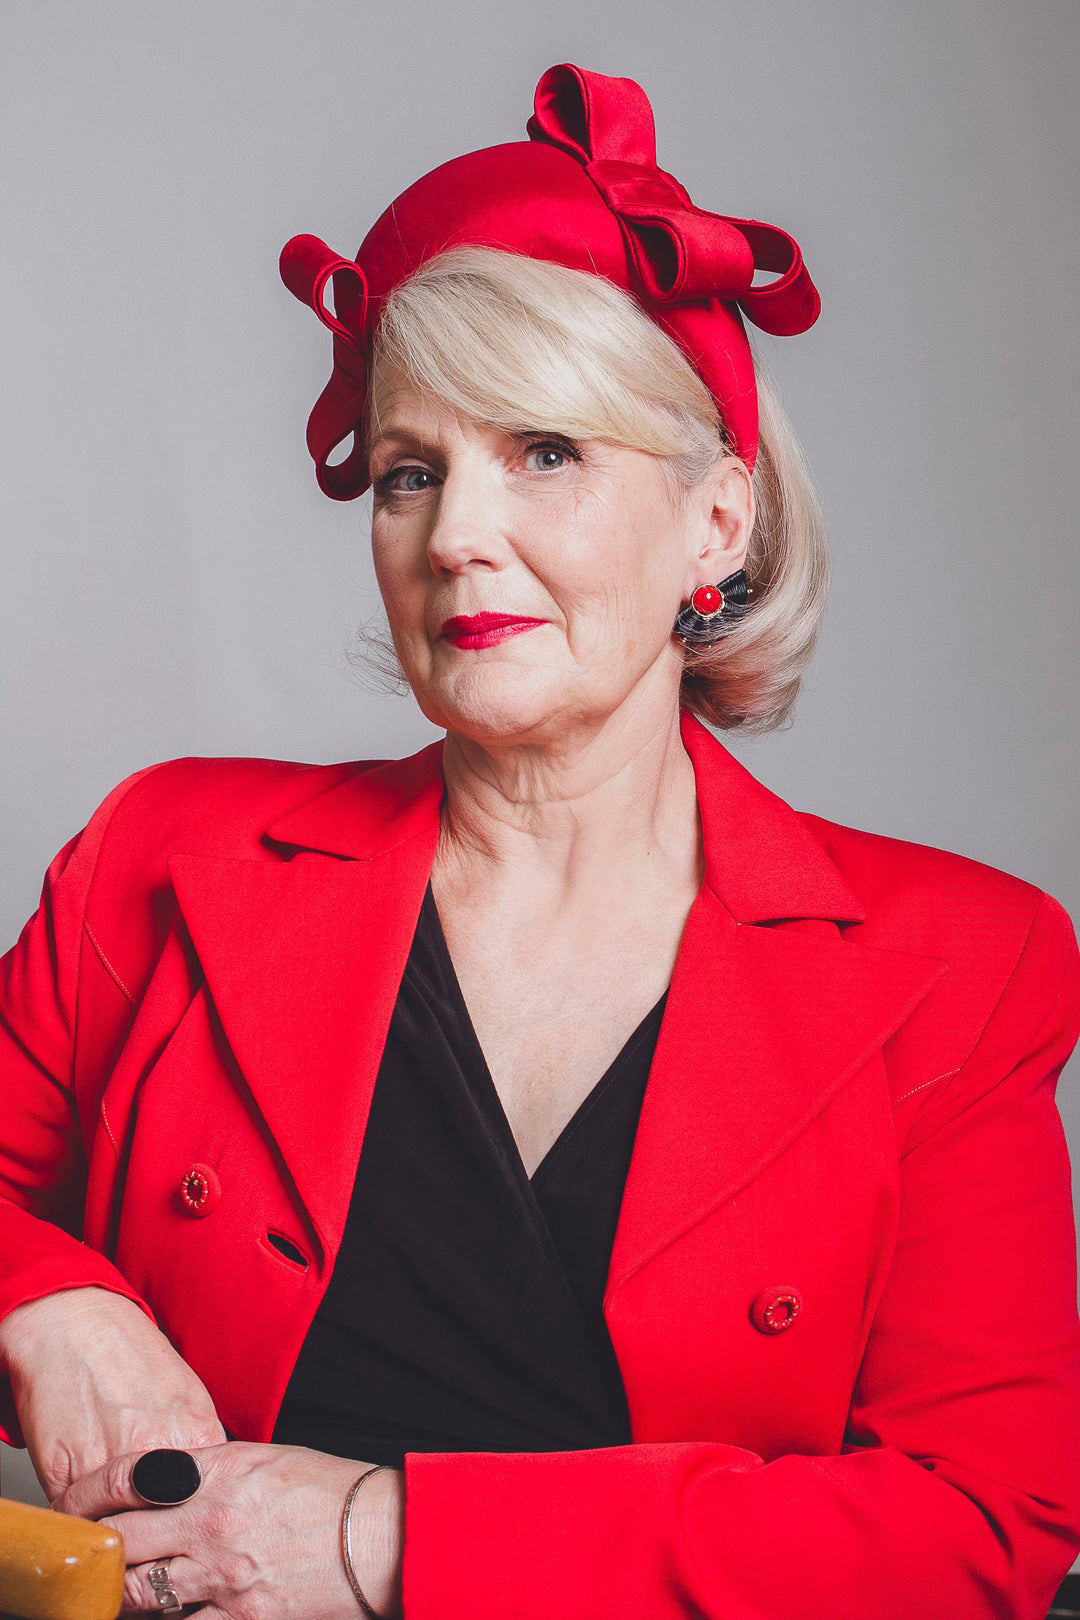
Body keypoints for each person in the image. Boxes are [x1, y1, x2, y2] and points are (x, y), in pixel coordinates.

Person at [0, 59, 1078, 1620]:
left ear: (717, 521)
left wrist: (386, 1540)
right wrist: (50, 1305)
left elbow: (980, 1524)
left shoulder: (966, 965)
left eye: (546, 453)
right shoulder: (160, 855)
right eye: (411, 473)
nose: (454, 537)